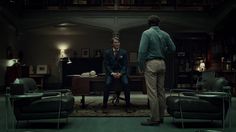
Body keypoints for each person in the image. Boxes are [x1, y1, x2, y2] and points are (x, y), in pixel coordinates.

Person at [138, 15, 176, 126]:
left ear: (148, 23)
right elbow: (173, 49)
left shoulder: (147, 33)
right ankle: (161, 117)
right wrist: (164, 52)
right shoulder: (165, 34)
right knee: (161, 91)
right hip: (162, 63)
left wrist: (141, 66)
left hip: (151, 63)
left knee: (152, 92)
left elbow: (142, 52)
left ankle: (154, 119)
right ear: (159, 23)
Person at [102, 36, 132, 113]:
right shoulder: (107, 52)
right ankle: (104, 105)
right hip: (111, 72)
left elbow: (125, 65)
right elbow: (106, 65)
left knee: (126, 83)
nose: (117, 44)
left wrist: (121, 73)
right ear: (112, 44)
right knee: (107, 84)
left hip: (121, 72)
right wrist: (112, 73)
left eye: (118, 42)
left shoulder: (124, 52)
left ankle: (128, 105)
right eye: (115, 42)